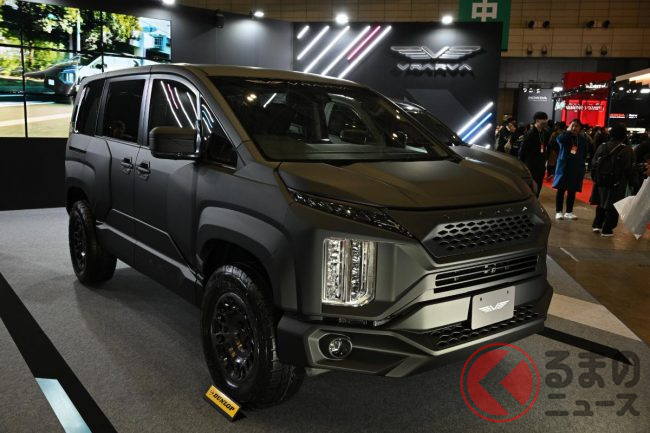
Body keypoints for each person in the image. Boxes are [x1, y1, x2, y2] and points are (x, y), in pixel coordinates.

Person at [590, 124, 634, 237]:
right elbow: (628, 168)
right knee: (613, 205)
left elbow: (594, 163)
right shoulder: (627, 150)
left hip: (601, 181)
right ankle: (607, 229)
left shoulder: (603, 146)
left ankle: (597, 225)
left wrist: (595, 177)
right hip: (617, 182)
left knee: (601, 202)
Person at [553, 119, 588, 220]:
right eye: (572, 125)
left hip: (576, 167)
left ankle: (569, 212)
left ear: (580, 128)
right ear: (569, 127)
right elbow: (559, 140)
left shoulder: (582, 139)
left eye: (577, 126)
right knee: (561, 189)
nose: (574, 128)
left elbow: (584, 152)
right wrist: (568, 132)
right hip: (564, 166)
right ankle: (559, 211)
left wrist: (582, 165)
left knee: (572, 190)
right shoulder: (564, 136)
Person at [519, 112, 550, 198]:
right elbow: (523, 150)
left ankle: (536, 200)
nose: (545, 121)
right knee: (530, 187)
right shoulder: (530, 133)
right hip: (530, 164)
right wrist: (522, 164)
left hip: (541, 165)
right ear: (537, 120)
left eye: (546, 119)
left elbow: (545, 148)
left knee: (538, 186)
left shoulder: (545, 133)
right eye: (543, 119)